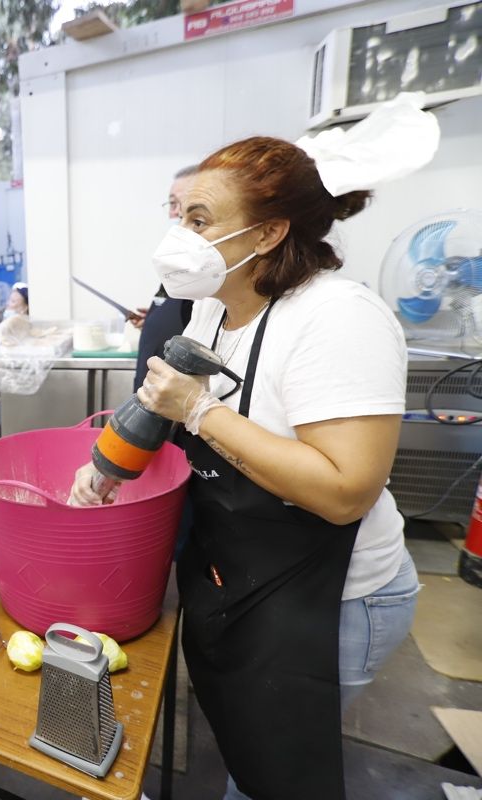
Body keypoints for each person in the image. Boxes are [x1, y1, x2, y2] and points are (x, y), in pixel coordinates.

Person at [70, 136, 416, 800]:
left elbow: (345, 492)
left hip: (337, 598)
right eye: (179, 217)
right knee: (248, 748)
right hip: (254, 579)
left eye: (198, 220)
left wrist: (201, 411)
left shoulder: (337, 319)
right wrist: (110, 465)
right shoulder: (214, 308)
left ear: (272, 230)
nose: (179, 235)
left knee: (280, 766)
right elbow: (159, 399)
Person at [132, 165, 199, 391]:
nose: (175, 213)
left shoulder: (204, 269)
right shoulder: (179, 262)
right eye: (171, 204)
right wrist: (153, 318)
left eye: (177, 203)